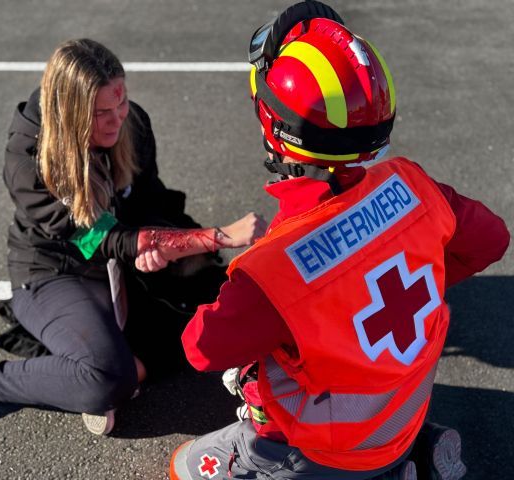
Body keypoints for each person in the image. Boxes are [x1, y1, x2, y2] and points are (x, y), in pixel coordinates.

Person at [170, 2, 510, 480]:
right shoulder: (413, 186)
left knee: (185, 466)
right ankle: (413, 453)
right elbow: (492, 239)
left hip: (328, 450)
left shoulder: (273, 270)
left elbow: (201, 348)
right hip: (400, 415)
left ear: (273, 126)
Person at [0, 38, 267, 435]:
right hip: (56, 271)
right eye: (101, 113)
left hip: (119, 260)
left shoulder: (133, 123)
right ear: (68, 114)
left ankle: (94, 374)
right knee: (108, 379)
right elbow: (97, 238)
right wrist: (218, 237)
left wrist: (176, 251)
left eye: (120, 105)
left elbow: (150, 202)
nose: (117, 119)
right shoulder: (30, 159)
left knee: (228, 301)